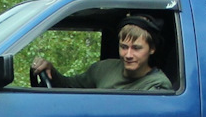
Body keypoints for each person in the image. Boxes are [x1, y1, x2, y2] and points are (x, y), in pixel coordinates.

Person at [31, 16, 174, 92]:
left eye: (136, 48)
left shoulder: (157, 86)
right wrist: (51, 71)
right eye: (124, 47)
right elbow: (69, 87)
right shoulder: (104, 69)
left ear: (152, 49)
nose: (128, 55)